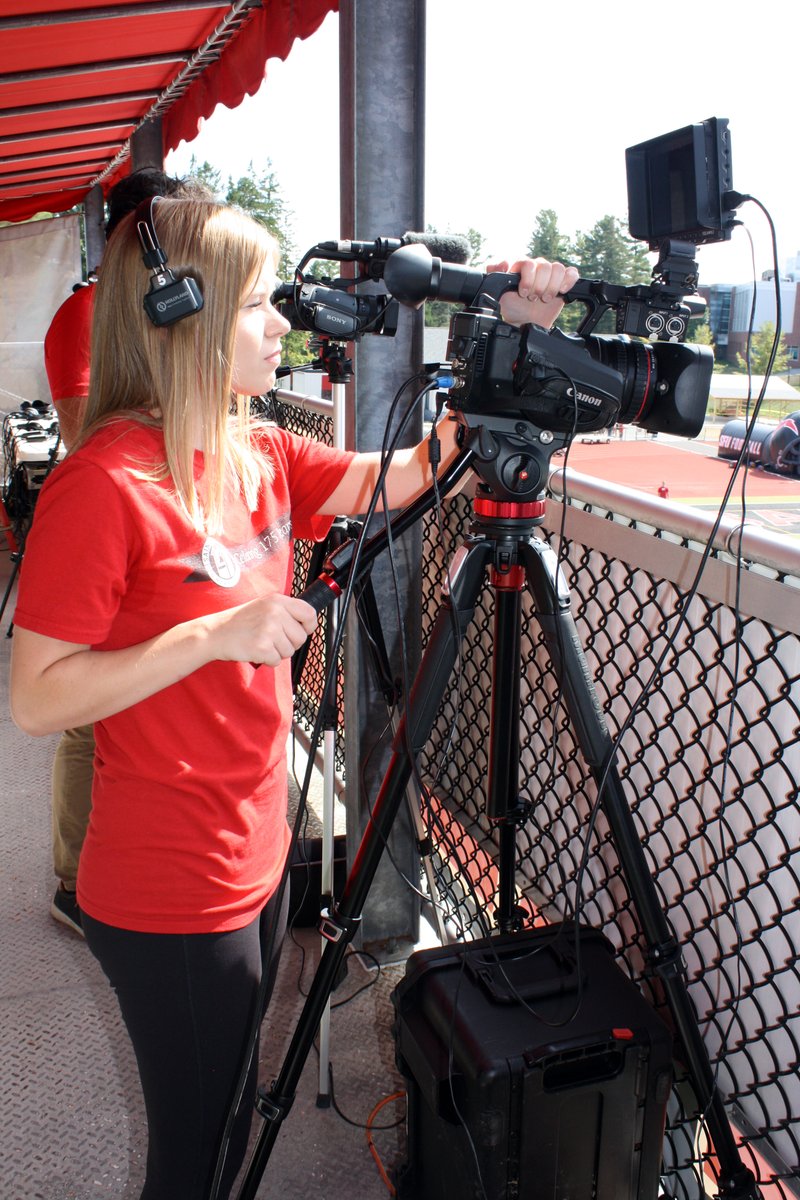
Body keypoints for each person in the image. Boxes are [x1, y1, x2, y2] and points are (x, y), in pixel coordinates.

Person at [10, 195, 577, 1199]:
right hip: (170, 889)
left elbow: (414, 475)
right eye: (255, 304)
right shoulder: (104, 483)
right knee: (200, 1155)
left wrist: (510, 333)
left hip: (259, 856)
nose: (281, 325)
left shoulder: (261, 451)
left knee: (229, 1118)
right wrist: (209, 635)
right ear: (181, 314)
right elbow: (37, 698)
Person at [43, 168, 209, 936]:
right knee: (88, 720)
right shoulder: (90, 312)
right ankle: (73, 882)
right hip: (113, 537)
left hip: (153, 531)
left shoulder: (141, 304)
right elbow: (89, 435)